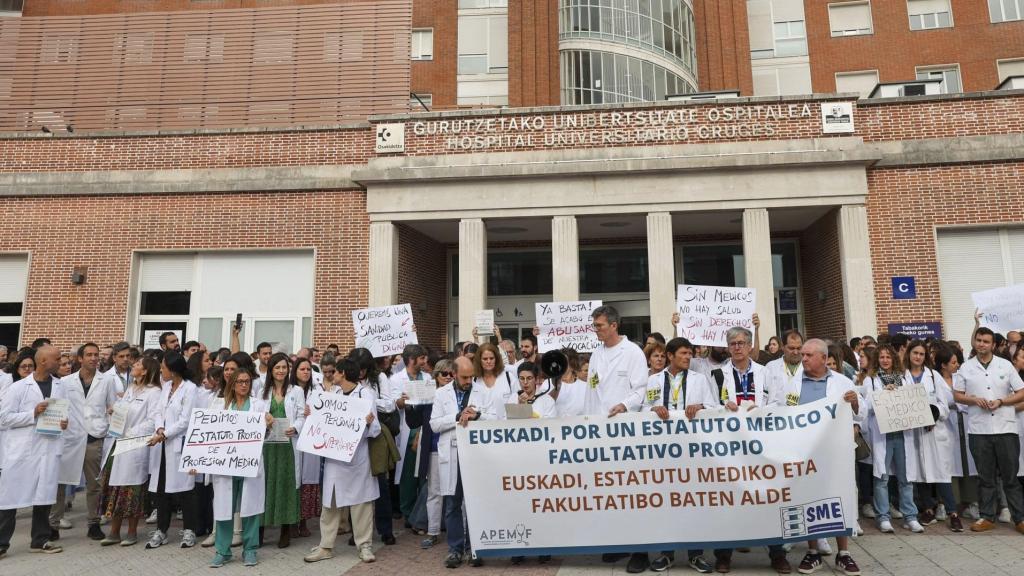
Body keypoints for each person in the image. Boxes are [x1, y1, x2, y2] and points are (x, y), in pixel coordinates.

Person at [638, 337, 719, 574]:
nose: (687, 357)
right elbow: (642, 409)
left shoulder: (700, 379)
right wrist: (653, 409)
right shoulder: (653, 380)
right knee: (666, 502)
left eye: (690, 354)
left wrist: (701, 408)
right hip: (662, 451)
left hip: (692, 449)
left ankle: (695, 554)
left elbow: (713, 406)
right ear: (670, 356)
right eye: (683, 353)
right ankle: (667, 554)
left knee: (694, 501)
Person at [787, 339, 862, 576]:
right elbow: (780, 411)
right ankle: (813, 552)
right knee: (808, 498)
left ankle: (844, 553)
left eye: (808, 355)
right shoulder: (793, 383)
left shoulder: (842, 382)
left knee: (837, 496)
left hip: (835, 452)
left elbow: (863, 413)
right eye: (803, 354)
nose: (804, 358)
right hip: (805, 452)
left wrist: (856, 402)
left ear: (822, 357)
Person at [716, 326, 787, 573]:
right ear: (728, 347)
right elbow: (707, 404)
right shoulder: (717, 374)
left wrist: (760, 409)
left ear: (749, 346)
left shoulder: (764, 373)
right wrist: (722, 406)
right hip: (730, 446)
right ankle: (723, 555)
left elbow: (778, 401)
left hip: (760, 444)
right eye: (733, 343)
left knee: (767, 497)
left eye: (741, 343)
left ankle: (777, 554)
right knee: (729, 500)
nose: (737, 347)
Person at [583, 305, 649, 571]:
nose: (595, 330)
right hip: (600, 431)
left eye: (598, 325)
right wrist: (588, 425)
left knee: (633, 492)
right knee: (610, 491)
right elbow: (592, 389)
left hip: (625, 430)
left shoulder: (632, 352)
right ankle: (619, 543)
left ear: (613, 325)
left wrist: (624, 404)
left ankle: (641, 550)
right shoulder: (597, 353)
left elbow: (640, 388)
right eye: (594, 325)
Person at [303, 358, 381, 564]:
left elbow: (376, 430)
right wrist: (311, 415)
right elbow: (324, 422)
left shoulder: (366, 395)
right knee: (330, 503)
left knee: (361, 503)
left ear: (343, 373)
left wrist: (367, 423)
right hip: (335, 458)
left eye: (335, 372)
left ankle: (364, 546)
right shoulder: (333, 395)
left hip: (357, 458)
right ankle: (326, 546)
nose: (331, 375)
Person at [953, 327, 1024, 533]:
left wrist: (1002, 401)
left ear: (993, 345)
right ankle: (987, 517)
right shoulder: (966, 368)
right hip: (979, 430)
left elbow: (1021, 392)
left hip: (1006, 428)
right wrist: (974, 399)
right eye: (979, 340)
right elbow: (958, 395)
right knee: (985, 476)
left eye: (986, 341)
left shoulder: (1006, 366)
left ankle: (1019, 518)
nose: (981, 344)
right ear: (975, 342)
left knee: (1011, 476)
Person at [0, 345, 67, 556]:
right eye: (57, 358)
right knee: (10, 497)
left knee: (44, 497)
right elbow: (4, 418)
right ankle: (2, 543)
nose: (61, 361)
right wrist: (33, 413)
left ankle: (40, 540)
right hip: (23, 452)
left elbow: (66, 412)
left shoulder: (60, 385)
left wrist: (65, 423)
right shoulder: (19, 388)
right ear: (44, 361)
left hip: (48, 448)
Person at [431, 356, 496, 568]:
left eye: (471, 377)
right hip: (451, 455)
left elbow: (495, 418)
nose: (469, 381)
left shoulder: (483, 392)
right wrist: (457, 416)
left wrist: (477, 416)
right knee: (452, 504)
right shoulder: (441, 394)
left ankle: (475, 548)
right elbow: (434, 425)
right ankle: (456, 549)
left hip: (475, 455)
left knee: (475, 504)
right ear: (454, 374)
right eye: (464, 377)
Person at [208, 367, 269, 568]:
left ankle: (250, 549)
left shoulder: (259, 406)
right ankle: (222, 551)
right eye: (240, 382)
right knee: (224, 508)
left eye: (247, 381)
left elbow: (265, 436)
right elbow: (209, 436)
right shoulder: (220, 407)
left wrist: (268, 425)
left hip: (249, 464)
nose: (244, 385)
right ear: (232, 384)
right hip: (226, 466)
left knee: (250, 507)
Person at [99, 356, 162, 547]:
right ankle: (114, 532)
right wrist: (114, 411)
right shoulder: (130, 389)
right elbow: (123, 410)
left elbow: (152, 420)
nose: (133, 366)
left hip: (135, 445)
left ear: (145, 371)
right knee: (115, 488)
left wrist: (131, 433)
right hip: (119, 444)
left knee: (133, 490)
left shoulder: (154, 392)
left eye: (137, 365)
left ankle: (132, 532)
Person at [861, 345, 923, 533]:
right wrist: (883, 394)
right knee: (882, 477)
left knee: (906, 478)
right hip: (883, 435)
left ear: (894, 358)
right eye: (882, 357)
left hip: (902, 434)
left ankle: (910, 517)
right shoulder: (870, 380)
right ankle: (883, 517)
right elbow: (866, 407)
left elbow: (914, 401)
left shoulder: (904, 378)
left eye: (888, 356)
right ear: (876, 360)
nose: (885, 360)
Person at [145, 351, 199, 549]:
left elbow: (185, 420)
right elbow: (159, 411)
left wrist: (165, 434)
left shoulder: (190, 389)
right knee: (161, 490)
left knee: (186, 491)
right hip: (161, 444)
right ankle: (162, 530)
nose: (161, 370)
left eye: (164, 367)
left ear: (174, 369)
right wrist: (159, 428)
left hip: (178, 444)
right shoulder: (166, 386)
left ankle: (189, 530)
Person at [51, 343, 104, 541]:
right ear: (80, 359)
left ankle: (94, 524)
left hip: (94, 438)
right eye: (89, 355)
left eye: (96, 355)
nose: (93, 358)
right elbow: (58, 406)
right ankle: (53, 525)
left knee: (94, 485)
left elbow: (112, 406)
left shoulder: (105, 381)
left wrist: (107, 420)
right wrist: (59, 422)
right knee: (61, 483)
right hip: (70, 437)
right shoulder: (65, 382)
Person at [902, 340, 955, 528]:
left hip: (933, 432)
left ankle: (952, 512)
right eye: (915, 353)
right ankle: (928, 510)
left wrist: (935, 415)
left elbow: (945, 403)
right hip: (912, 432)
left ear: (926, 357)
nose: (918, 357)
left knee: (941, 472)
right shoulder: (902, 377)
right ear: (909, 354)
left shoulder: (933, 376)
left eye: (921, 354)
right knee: (920, 472)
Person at [405, 359, 452, 550]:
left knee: (457, 494)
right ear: (436, 376)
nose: (448, 377)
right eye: (444, 374)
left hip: (454, 447)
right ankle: (433, 531)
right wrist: (409, 404)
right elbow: (414, 421)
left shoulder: (460, 394)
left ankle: (459, 529)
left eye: (451, 373)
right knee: (434, 492)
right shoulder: (428, 395)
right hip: (433, 449)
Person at [260, 352, 302, 548]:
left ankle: (285, 530)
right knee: (265, 485)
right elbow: (255, 414)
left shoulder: (296, 391)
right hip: (267, 447)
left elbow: (302, 416)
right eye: (277, 367)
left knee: (285, 484)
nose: (281, 371)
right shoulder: (261, 391)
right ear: (271, 369)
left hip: (287, 446)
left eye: (284, 367)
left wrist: (296, 427)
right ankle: (259, 529)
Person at [936, 345, 972, 531]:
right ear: (943, 365)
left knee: (967, 462)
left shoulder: (960, 378)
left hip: (963, 420)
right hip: (946, 423)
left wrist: (961, 401)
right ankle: (949, 503)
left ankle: (970, 502)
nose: (957, 365)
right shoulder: (935, 379)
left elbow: (967, 397)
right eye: (953, 363)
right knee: (948, 464)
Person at [290, 356, 317, 539]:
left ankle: (304, 521)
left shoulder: (318, 391)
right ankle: (292, 521)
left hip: (312, 441)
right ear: (295, 371)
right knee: (295, 480)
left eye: (308, 369)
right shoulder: (290, 391)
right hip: (295, 440)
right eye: (302, 369)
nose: (306, 372)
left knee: (308, 481)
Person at [553, 347, 587, 418]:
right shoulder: (549, 384)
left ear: (572, 365)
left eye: (563, 361)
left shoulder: (585, 387)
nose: (560, 364)